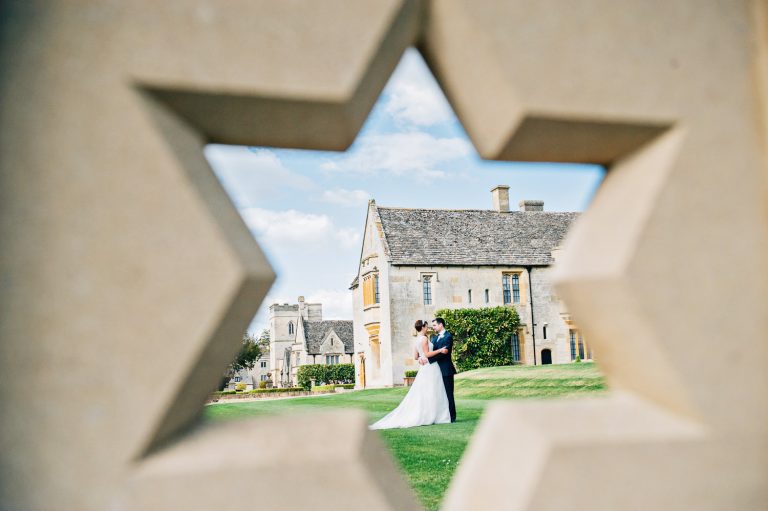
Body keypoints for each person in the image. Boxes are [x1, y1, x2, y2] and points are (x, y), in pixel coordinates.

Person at [369, 319, 451, 429]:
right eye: (427, 327)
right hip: (431, 367)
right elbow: (427, 354)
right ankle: (434, 415)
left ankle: (430, 414)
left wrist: (421, 358)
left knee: (425, 391)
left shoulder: (416, 340)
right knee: (433, 390)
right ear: (422, 327)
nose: (428, 328)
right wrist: (440, 350)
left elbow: (416, 357)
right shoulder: (425, 339)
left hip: (424, 368)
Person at [419, 317, 457, 422]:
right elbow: (429, 351)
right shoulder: (434, 338)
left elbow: (443, 354)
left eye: (435, 325)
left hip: (446, 369)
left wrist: (428, 359)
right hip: (434, 371)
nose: (433, 327)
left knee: (449, 393)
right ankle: (441, 416)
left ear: (441, 325)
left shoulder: (448, 336)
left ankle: (452, 417)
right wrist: (421, 358)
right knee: (438, 394)